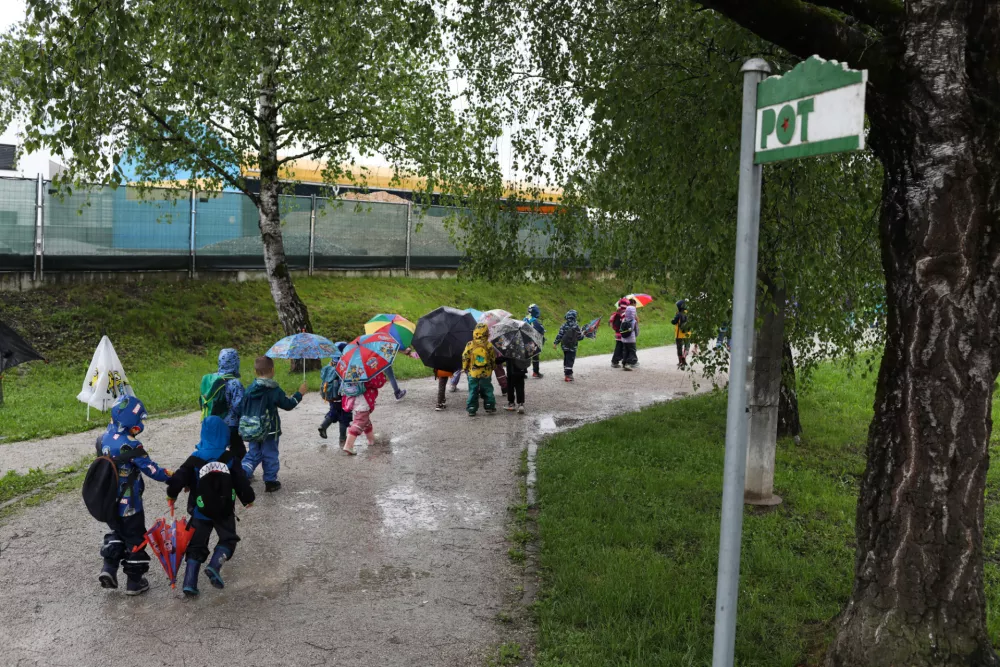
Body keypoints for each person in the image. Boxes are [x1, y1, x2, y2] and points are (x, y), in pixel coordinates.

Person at [167, 416, 255, 597]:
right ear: (224, 436)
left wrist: (172, 495)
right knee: (228, 540)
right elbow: (240, 481)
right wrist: (248, 499)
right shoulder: (230, 458)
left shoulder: (195, 458)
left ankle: (189, 582)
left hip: (200, 512)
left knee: (196, 546)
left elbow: (178, 478)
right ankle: (215, 565)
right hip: (224, 511)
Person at [95, 396, 170, 596]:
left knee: (118, 533)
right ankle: (134, 583)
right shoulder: (132, 445)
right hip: (130, 506)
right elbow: (153, 470)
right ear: (132, 421)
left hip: (109, 503)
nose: (141, 425)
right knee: (136, 539)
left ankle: (108, 569)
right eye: (139, 420)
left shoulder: (103, 439)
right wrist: (173, 477)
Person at [240, 356, 307, 492]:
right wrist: (299, 394)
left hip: (252, 428)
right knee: (270, 454)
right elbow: (288, 405)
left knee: (253, 453)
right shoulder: (274, 390)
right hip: (270, 431)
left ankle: (241, 476)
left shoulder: (249, 390)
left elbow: (243, 407)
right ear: (272, 370)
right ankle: (270, 482)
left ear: (255, 372)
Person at [343, 372, 387, 454]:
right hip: (364, 400)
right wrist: (382, 376)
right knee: (359, 422)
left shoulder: (351, 369)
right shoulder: (368, 370)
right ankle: (348, 445)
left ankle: (371, 439)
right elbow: (378, 382)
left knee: (365, 421)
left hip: (354, 399)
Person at [216, 348, 247, 464]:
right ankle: (240, 473)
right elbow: (238, 405)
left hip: (214, 420)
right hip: (231, 423)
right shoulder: (235, 383)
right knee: (238, 449)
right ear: (235, 362)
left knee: (218, 447)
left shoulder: (213, 379)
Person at [318, 342, 351, 443]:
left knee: (334, 411)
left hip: (330, 395)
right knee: (344, 415)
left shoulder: (331, 363)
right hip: (341, 395)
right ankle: (342, 437)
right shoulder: (343, 365)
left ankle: (323, 425)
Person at [462, 322, 497, 416]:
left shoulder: (470, 344)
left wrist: (464, 367)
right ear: (487, 333)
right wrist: (493, 367)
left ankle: (472, 408)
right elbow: (493, 358)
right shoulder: (489, 345)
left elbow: (465, 357)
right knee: (487, 388)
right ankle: (489, 405)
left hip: (473, 373)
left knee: (473, 390)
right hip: (486, 373)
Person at [553, 309, 583, 382]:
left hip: (564, 346)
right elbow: (580, 337)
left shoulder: (564, 325)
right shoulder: (576, 326)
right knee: (570, 360)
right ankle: (568, 375)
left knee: (566, 359)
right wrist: (583, 334)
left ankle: (566, 373)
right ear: (574, 317)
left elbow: (559, 335)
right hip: (572, 347)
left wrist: (555, 343)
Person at [524, 304, 546, 378]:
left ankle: (523, 372)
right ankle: (535, 372)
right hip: (533, 341)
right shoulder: (534, 320)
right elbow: (541, 329)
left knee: (525, 357)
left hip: (525, 340)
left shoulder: (525, 318)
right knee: (535, 356)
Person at [609, 298, 629, 368]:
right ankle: (617, 361)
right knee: (623, 348)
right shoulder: (624, 313)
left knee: (618, 347)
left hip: (617, 334)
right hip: (623, 333)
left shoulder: (618, 311)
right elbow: (625, 323)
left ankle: (615, 361)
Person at [672, 299, 692, 369]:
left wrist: (673, 318)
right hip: (687, 334)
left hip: (679, 334)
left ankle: (680, 362)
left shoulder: (678, 314)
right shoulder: (689, 314)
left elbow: (673, 322)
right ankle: (684, 356)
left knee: (679, 348)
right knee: (687, 347)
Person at [621, 305, 639, 370]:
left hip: (624, 339)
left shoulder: (623, 320)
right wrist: (636, 335)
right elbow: (636, 330)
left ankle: (624, 363)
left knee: (625, 351)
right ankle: (630, 363)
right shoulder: (634, 321)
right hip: (631, 339)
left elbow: (621, 328)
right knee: (632, 351)